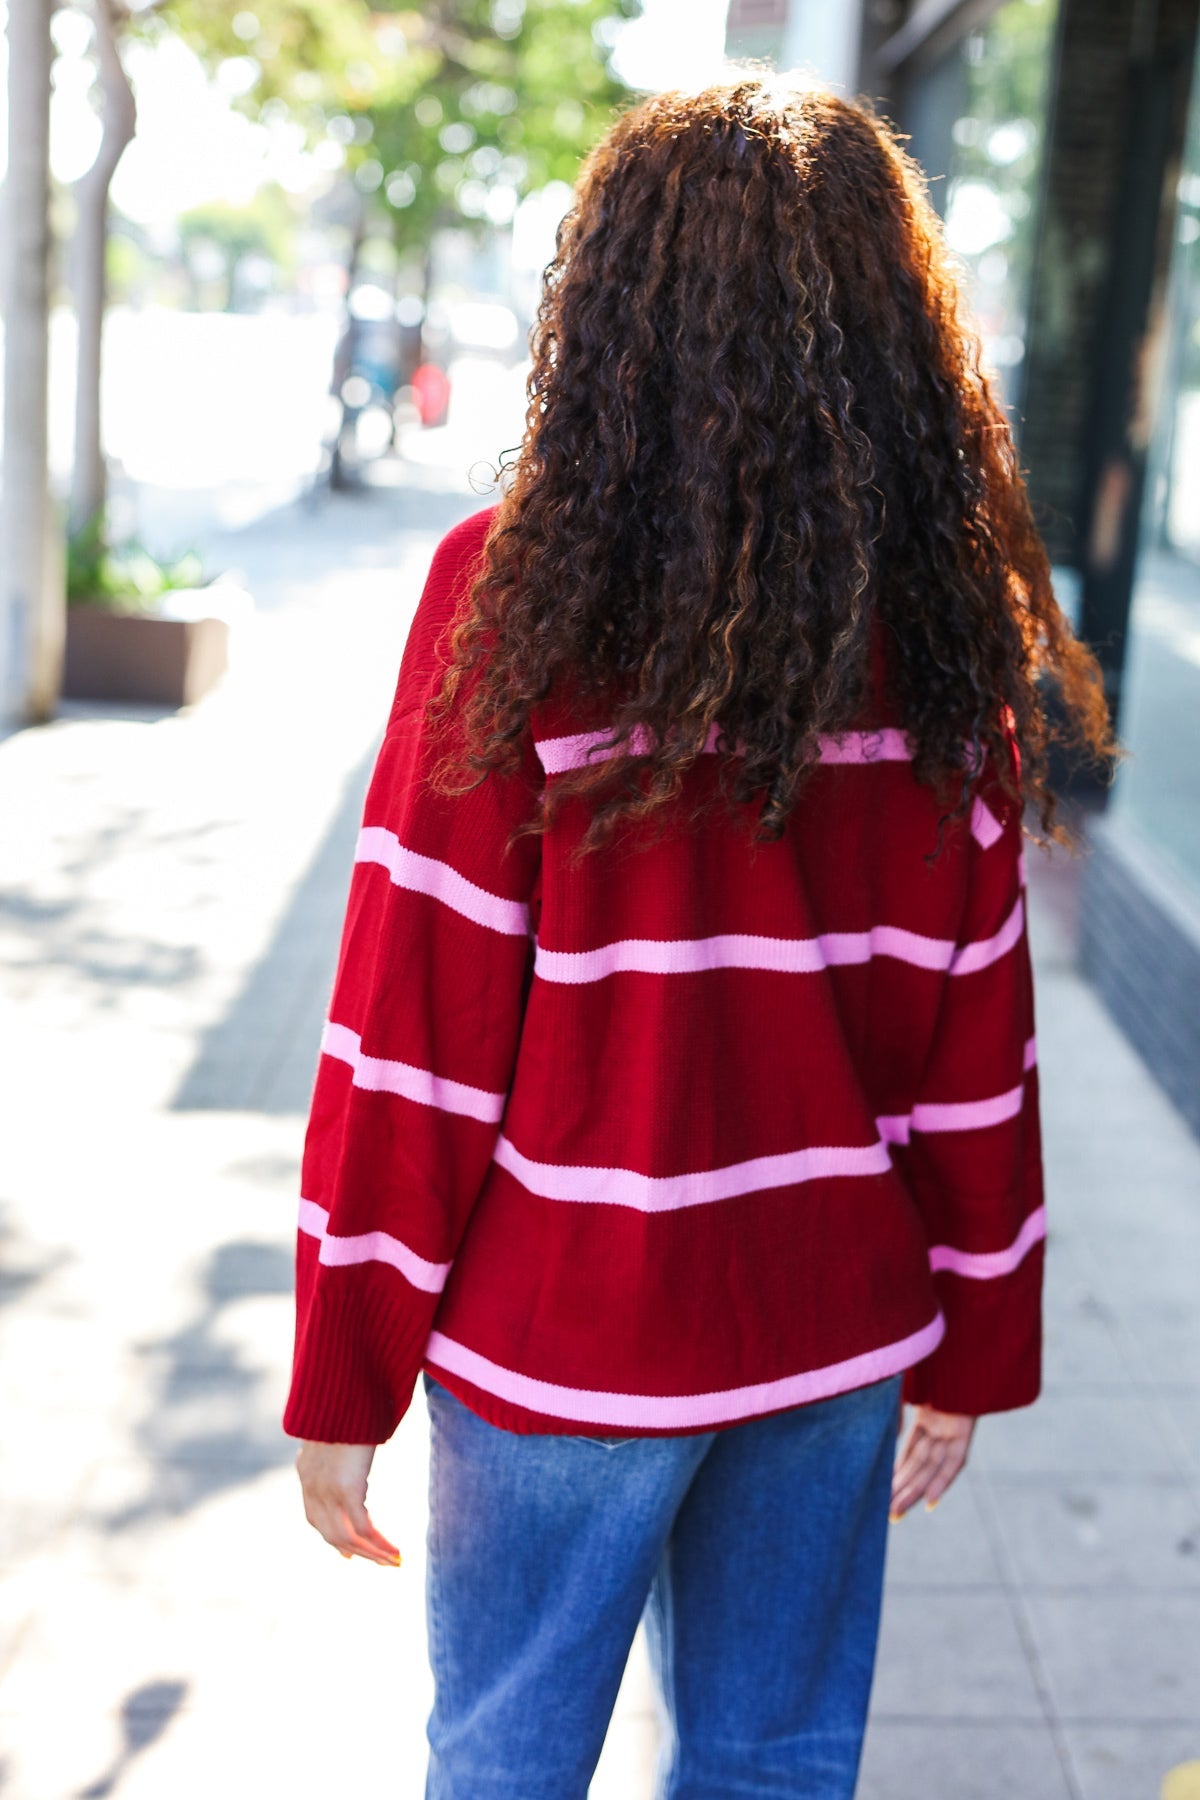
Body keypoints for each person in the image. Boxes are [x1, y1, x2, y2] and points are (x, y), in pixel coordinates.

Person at [284, 78, 1115, 1799]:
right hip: (829, 1332)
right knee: (776, 1767)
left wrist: (346, 1357)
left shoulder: (511, 599)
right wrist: (977, 1333)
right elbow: (982, 1040)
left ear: (609, 316)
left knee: (505, 1759)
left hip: (561, 1337)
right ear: (895, 327)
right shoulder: (945, 634)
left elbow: (412, 1025)